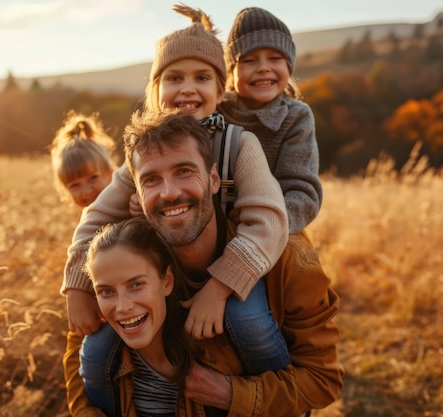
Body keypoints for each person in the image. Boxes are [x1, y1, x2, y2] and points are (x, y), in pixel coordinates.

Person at [62, 6, 292, 414]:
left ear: (221, 90)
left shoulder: (239, 145)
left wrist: (220, 288)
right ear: (155, 91)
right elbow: (95, 218)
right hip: (159, 277)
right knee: (95, 350)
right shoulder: (143, 151)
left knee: (248, 323)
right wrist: (78, 283)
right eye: (174, 78)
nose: (187, 89)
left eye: (202, 78)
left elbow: (270, 219)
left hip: (233, 266)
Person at [63, 110, 343, 416]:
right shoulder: (131, 254)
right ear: (138, 196)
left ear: (213, 180)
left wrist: (231, 394)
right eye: (152, 180)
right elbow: (82, 351)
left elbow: (322, 380)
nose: (170, 193)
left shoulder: (288, 261)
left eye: (184, 171)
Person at [219, 7, 323, 234]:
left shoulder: (296, 117)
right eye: (249, 60)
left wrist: (266, 218)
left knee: (299, 265)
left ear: (289, 65)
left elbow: (302, 192)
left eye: (275, 58)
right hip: (211, 225)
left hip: (276, 224)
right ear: (232, 70)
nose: (263, 67)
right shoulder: (215, 111)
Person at [50, 111, 117, 208]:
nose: (87, 191)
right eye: (74, 185)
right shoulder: (88, 219)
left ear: (110, 172)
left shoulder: (131, 203)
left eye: (93, 178)